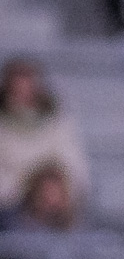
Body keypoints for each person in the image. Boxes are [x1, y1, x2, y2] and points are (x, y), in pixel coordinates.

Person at [0, 60, 90, 213]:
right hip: (10, 206)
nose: (22, 96)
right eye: (16, 90)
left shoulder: (58, 122)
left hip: (57, 200)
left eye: (27, 89)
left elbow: (74, 164)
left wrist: (53, 189)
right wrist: (29, 190)